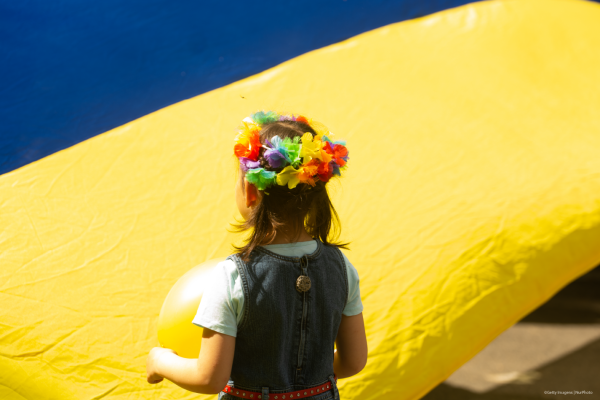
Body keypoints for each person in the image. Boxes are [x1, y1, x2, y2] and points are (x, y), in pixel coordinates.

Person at [146, 111, 367, 400]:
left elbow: (209, 377)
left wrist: (160, 361)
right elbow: (353, 361)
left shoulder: (232, 277)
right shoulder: (341, 267)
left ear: (250, 191)